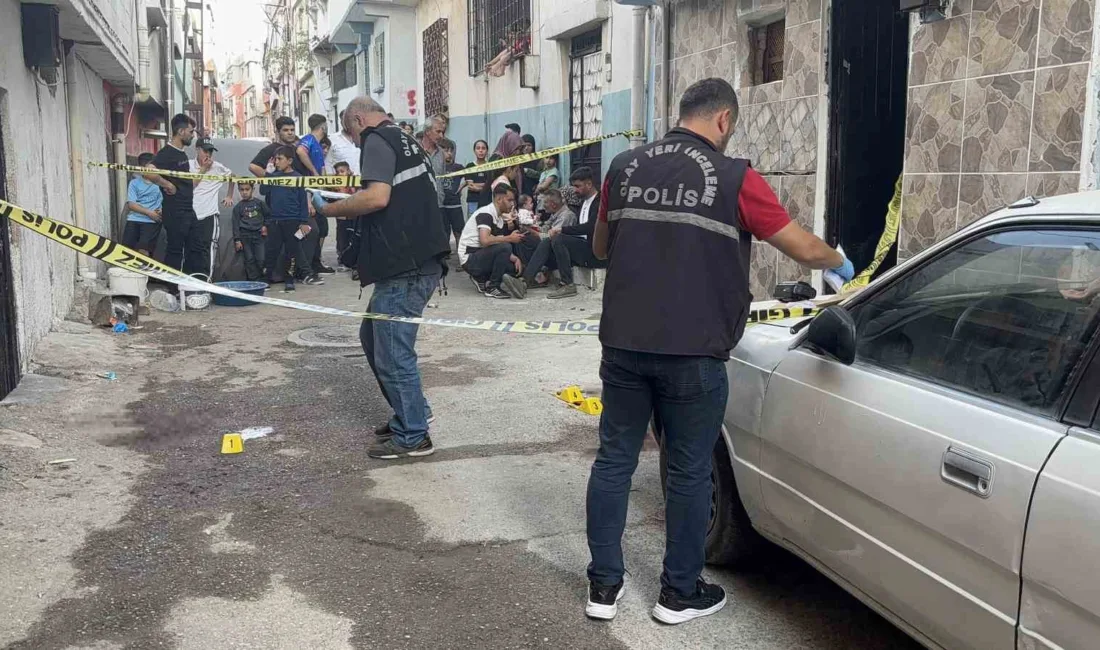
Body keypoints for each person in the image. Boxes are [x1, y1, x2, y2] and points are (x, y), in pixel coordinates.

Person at [583, 78, 854, 625]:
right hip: (695, 350)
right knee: (687, 469)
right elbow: (798, 245)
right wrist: (840, 262)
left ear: (681, 114)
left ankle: (604, 590)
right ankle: (678, 594)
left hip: (624, 343)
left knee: (614, 460)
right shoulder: (734, 177)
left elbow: (599, 248)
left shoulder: (624, 167)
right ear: (724, 121)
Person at [319, 96, 450, 460]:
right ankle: (413, 413)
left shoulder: (377, 138)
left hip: (404, 265)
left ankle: (413, 436)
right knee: (374, 336)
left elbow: (376, 198)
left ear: (359, 120)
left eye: (352, 134)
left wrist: (330, 209)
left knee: (393, 351)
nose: (356, 142)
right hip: (417, 259)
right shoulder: (406, 139)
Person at [504, 166, 603, 300]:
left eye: (577, 186)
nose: (575, 190)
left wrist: (562, 230)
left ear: (589, 184)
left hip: (594, 251)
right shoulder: (584, 202)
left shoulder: (600, 202)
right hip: (580, 248)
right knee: (542, 241)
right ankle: (524, 281)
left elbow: (591, 227)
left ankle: (568, 284)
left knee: (558, 238)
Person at [148, 113, 197, 276]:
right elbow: (148, 172)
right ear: (181, 132)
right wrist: (166, 184)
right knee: (175, 251)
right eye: (191, 131)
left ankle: (188, 285)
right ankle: (173, 289)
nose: (192, 135)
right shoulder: (167, 153)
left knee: (193, 248)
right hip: (174, 212)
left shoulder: (181, 153)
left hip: (187, 210)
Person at [456, 184, 525, 299]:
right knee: (506, 246)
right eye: (509, 200)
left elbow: (496, 242)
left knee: (515, 268)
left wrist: (515, 258)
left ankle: (481, 278)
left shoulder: (499, 218)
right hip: (470, 259)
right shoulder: (486, 214)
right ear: (499, 199)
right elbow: (485, 240)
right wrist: (509, 238)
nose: (512, 204)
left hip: (481, 255)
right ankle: (493, 287)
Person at [262, 146, 312, 292]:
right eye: (275, 159)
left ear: (289, 161)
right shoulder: (274, 176)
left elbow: (303, 201)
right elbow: (263, 191)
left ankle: (289, 279)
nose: (277, 162)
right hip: (275, 220)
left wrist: (303, 221)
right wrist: (268, 174)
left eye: (280, 159)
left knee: (291, 252)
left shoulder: (297, 177)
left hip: (293, 220)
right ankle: (266, 278)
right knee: (271, 250)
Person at [188, 137, 235, 280]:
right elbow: (192, 185)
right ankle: (190, 281)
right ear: (197, 150)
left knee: (207, 248)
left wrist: (229, 196)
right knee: (191, 248)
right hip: (190, 213)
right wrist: (203, 169)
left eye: (210, 151)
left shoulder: (217, 167)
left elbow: (233, 177)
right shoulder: (188, 165)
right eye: (205, 151)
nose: (208, 155)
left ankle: (206, 281)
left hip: (209, 213)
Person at [122, 152, 164, 256]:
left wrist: (163, 210)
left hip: (152, 222)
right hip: (134, 219)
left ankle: (143, 271)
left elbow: (169, 200)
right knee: (126, 251)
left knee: (144, 252)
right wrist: (149, 213)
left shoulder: (162, 183)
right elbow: (131, 205)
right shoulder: (134, 183)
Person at [232, 181, 269, 281]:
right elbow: (235, 225)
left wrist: (265, 226)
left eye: (247, 189)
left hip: (259, 236)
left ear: (253, 189)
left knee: (261, 259)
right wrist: (237, 240)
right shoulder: (237, 207)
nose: (244, 192)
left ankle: (263, 280)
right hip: (245, 236)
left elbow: (268, 217)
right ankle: (253, 280)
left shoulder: (260, 204)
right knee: (249, 259)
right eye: (242, 190)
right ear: (239, 190)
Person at [439, 139, 466, 252]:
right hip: (441, 205)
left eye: (451, 151)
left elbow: (469, 179)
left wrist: (460, 188)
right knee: (444, 232)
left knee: (458, 232)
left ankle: (461, 258)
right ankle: (445, 255)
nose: (449, 153)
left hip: (455, 205)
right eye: (446, 150)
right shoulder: (437, 167)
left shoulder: (458, 167)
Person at [331, 160, 357, 267]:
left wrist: (351, 184)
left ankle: (353, 259)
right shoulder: (335, 184)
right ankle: (341, 258)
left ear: (349, 171)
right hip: (341, 216)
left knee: (353, 236)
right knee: (341, 237)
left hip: (353, 214)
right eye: (337, 172)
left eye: (342, 171)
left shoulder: (355, 181)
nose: (340, 174)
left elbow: (356, 194)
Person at [421, 115, 448, 208]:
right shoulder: (415, 150)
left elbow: (442, 177)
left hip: (438, 205)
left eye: (442, 132)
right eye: (438, 132)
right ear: (427, 131)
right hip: (419, 205)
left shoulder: (441, 153)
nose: (441, 136)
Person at [326, 110, 362, 175]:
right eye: (344, 120)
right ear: (341, 122)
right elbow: (328, 163)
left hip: (362, 181)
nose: (347, 123)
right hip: (341, 183)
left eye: (349, 120)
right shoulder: (332, 139)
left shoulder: (363, 137)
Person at [466, 140, 492, 211]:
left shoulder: (491, 166)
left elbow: (491, 184)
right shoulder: (470, 166)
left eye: (483, 148)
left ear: (487, 151)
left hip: (487, 200)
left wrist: (477, 185)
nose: (481, 151)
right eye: (478, 148)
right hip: (473, 200)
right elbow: (471, 186)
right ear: (474, 151)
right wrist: (485, 186)